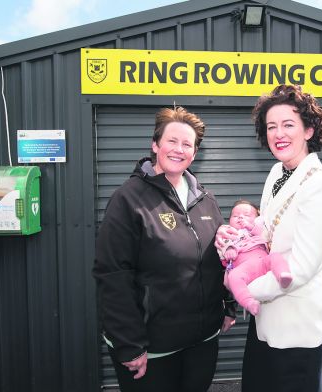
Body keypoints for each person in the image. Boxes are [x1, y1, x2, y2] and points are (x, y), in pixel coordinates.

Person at [92, 106, 236, 392]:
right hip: (153, 348)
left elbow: (223, 256)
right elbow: (112, 275)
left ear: (195, 153)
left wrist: (228, 304)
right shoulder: (128, 200)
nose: (178, 149)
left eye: (187, 144)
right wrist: (129, 344)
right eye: (172, 141)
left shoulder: (205, 199)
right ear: (155, 145)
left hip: (202, 341)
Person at [218, 84, 322, 392]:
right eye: (271, 126)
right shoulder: (277, 172)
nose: (278, 134)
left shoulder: (320, 185)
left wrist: (244, 288)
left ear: (309, 130)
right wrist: (234, 234)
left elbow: (302, 267)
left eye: (288, 124)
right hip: (268, 321)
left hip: (298, 325)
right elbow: (267, 225)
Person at [216, 200, 292, 316]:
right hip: (244, 267)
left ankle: (283, 274)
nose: (240, 218)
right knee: (233, 277)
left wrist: (250, 226)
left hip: (263, 261)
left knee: (275, 257)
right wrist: (229, 249)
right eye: (235, 216)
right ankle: (249, 302)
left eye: (246, 215)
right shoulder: (229, 232)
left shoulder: (259, 231)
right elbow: (222, 245)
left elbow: (263, 235)